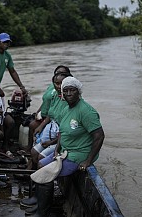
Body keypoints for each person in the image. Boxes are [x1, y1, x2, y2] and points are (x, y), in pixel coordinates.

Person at [24, 77, 105, 216]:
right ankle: (40, 202)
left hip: (78, 154)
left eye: (72, 90)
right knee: (41, 164)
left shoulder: (86, 111)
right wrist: (56, 149)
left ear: (78, 92)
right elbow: (62, 131)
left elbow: (99, 136)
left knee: (45, 174)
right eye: (65, 90)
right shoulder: (66, 108)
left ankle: (43, 213)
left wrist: (88, 161)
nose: (68, 94)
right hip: (65, 151)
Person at [26, 65, 72, 152]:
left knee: (34, 128)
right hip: (46, 117)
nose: (59, 85)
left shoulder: (68, 96)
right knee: (33, 127)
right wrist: (38, 111)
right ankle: (31, 149)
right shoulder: (52, 87)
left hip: (53, 122)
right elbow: (46, 101)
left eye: (62, 74)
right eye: (57, 74)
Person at [0, 32, 27, 96]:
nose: (7, 44)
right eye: (4, 42)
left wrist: (21, 87)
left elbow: (12, 71)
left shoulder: (7, 55)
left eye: (8, 42)